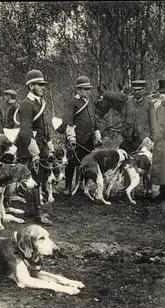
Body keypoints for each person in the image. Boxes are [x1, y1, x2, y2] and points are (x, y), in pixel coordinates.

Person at [16, 69, 55, 226]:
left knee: (39, 178)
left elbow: (43, 127)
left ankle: (31, 209)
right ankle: (38, 214)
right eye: (40, 85)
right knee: (35, 181)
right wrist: (35, 154)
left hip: (41, 145)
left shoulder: (38, 102)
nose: (43, 87)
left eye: (43, 85)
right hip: (31, 148)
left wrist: (50, 145)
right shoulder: (27, 104)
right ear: (31, 86)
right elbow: (25, 132)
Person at [62, 76, 102, 195]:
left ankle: (81, 186)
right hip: (76, 139)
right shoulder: (72, 102)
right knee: (71, 163)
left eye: (89, 89)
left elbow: (93, 121)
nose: (88, 92)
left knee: (85, 163)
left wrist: (97, 135)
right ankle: (68, 187)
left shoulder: (89, 103)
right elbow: (68, 121)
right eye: (85, 89)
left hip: (88, 140)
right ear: (78, 90)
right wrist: (71, 138)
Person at [97, 79, 157, 153]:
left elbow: (153, 124)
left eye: (139, 90)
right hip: (129, 139)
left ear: (144, 90)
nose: (137, 92)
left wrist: (152, 140)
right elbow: (123, 120)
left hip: (143, 140)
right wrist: (124, 133)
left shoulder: (149, 104)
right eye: (135, 90)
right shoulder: (128, 103)